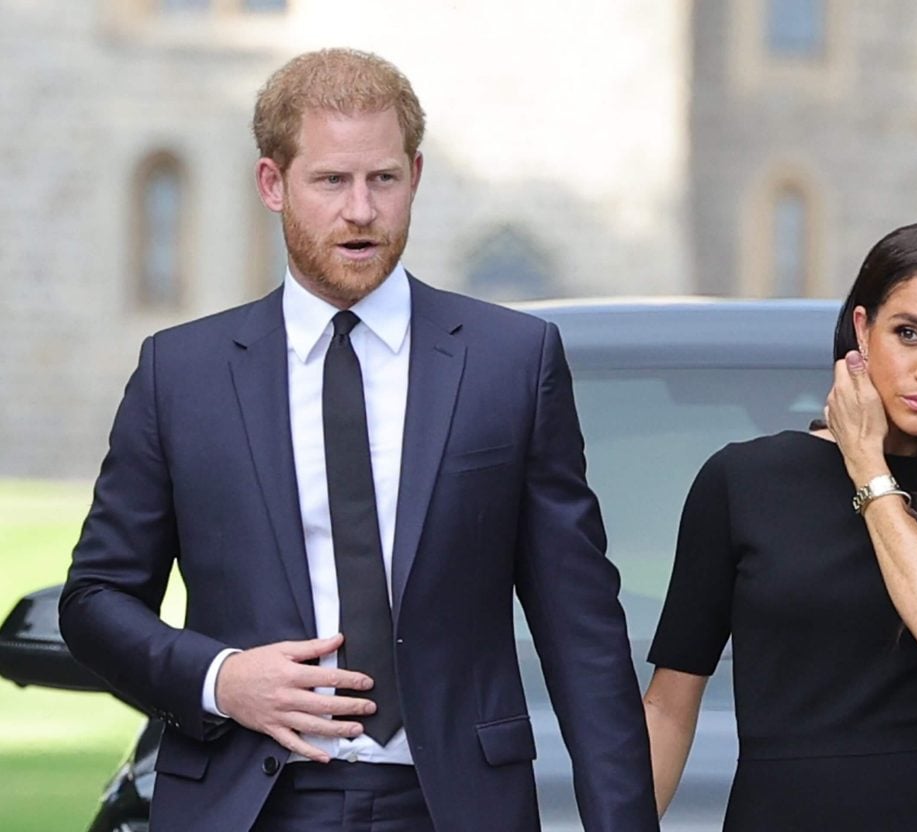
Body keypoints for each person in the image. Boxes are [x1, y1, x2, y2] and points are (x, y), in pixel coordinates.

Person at [59, 48, 658, 832]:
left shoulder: (511, 362)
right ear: (273, 184)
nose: (362, 211)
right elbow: (96, 601)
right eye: (332, 181)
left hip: (450, 806)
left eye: (383, 179)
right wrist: (221, 678)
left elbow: (581, 625)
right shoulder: (182, 375)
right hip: (246, 803)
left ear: (415, 175)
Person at [642, 220, 917, 830]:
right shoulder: (745, 482)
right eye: (908, 333)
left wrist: (867, 466)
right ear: (862, 330)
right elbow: (667, 706)